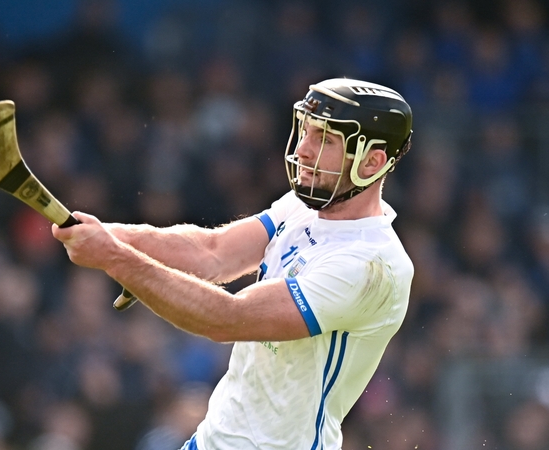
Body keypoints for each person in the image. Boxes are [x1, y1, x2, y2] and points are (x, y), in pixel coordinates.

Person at [52, 78, 414, 449]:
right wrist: (111, 235)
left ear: (373, 161)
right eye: (307, 131)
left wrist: (117, 258)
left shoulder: (372, 266)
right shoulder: (305, 206)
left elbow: (226, 319)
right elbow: (213, 252)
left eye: (325, 139)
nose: (303, 150)